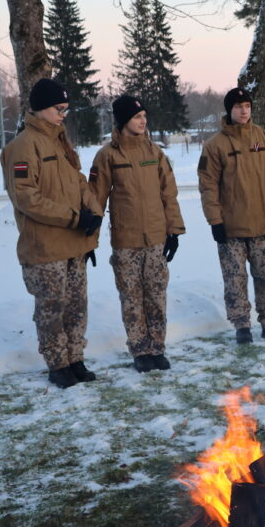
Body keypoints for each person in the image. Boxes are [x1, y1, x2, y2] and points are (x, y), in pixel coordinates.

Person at [0, 78, 103, 388]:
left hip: (74, 245)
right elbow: (27, 198)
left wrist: (92, 214)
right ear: (41, 108)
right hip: (44, 248)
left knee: (76, 307)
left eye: (66, 109)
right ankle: (57, 364)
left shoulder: (61, 143)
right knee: (52, 309)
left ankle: (75, 359)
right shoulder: (22, 146)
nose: (63, 115)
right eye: (59, 109)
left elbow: (79, 182)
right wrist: (74, 218)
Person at [90, 95, 185, 372]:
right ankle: (140, 350)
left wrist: (174, 231)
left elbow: (169, 193)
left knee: (156, 296)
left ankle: (157, 348)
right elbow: (95, 199)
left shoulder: (154, 153)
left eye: (144, 116)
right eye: (136, 117)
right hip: (126, 242)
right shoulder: (107, 155)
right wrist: (89, 240)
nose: (143, 121)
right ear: (122, 121)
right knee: (132, 298)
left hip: (156, 239)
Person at [199, 87, 265, 344]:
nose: (244, 110)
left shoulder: (262, 137)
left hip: (262, 223)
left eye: (247, 106)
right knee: (235, 280)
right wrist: (215, 221)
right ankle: (242, 327)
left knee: (264, 277)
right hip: (231, 228)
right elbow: (208, 186)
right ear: (229, 110)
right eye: (238, 106)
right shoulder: (215, 145)